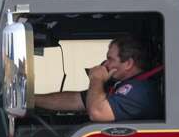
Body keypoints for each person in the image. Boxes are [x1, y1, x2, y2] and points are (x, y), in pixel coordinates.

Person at [35, 35, 163, 122]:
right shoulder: (120, 85)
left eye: (110, 59)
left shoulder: (139, 91)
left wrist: (96, 79)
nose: (105, 64)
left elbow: (97, 112)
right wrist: (31, 100)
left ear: (128, 63)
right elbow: (74, 100)